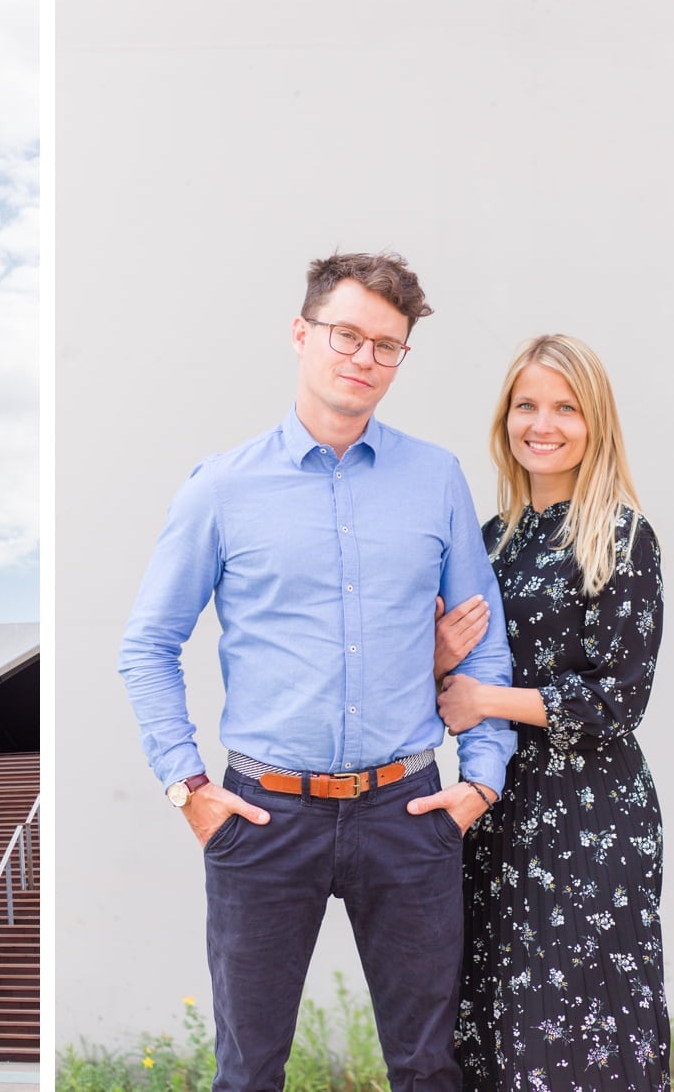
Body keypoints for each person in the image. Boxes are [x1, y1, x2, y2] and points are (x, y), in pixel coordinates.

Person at [119, 251, 517, 1092]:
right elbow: (147, 644)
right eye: (347, 334)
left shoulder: (434, 478)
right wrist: (186, 787)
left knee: (428, 1068)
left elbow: (482, 640)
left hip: (409, 812)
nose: (364, 358)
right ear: (302, 334)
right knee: (249, 1072)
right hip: (262, 818)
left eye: (387, 345)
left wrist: (479, 784)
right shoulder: (221, 489)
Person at [434, 335, 668, 1090]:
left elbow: (618, 700)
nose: (544, 423)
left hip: (589, 810)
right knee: (495, 1019)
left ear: (595, 421)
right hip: (498, 805)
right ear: (506, 418)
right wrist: (441, 665)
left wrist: (484, 700)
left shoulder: (622, 536)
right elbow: (450, 675)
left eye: (566, 407)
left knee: (580, 1027)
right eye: (527, 404)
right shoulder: (491, 541)